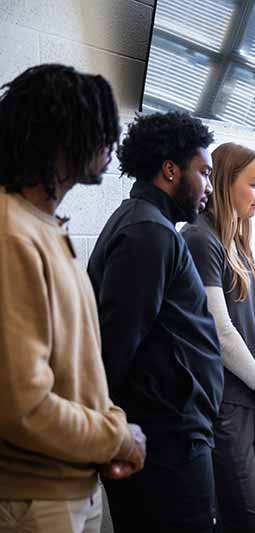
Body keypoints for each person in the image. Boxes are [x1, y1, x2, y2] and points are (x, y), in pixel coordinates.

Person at [0, 64, 145, 532]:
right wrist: (117, 437)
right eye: (101, 128)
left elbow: (76, 371)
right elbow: (23, 406)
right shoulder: (12, 234)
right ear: (62, 136)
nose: (111, 144)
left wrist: (109, 433)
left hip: (70, 483)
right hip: (33, 497)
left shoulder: (42, 226)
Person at [87, 111, 223, 533]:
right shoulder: (149, 232)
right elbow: (116, 342)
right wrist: (107, 434)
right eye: (203, 172)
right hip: (165, 439)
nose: (208, 188)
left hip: (172, 431)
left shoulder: (147, 224)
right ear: (170, 170)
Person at [181, 143, 255, 532]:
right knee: (244, 514)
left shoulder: (238, 242)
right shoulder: (199, 238)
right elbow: (219, 328)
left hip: (254, 396)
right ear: (225, 183)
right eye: (254, 184)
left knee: (249, 506)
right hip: (229, 398)